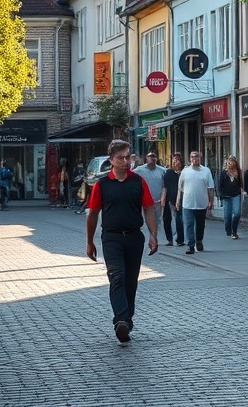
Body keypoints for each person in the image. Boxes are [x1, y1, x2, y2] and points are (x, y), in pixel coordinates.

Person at [84, 139, 158, 344]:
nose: (126, 162)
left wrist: (153, 234)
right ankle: (121, 321)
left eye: (128, 157)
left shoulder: (138, 182)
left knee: (131, 281)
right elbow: (93, 213)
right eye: (121, 158)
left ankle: (127, 319)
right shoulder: (102, 185)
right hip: (112, 238)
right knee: (117, 277)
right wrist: (89, 241)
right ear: (111, 160)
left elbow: (148, 208)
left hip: (134, 237)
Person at [176, 150, 214, 255]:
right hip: (188, 203)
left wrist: (211, 201)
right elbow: (180, 188)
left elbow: (210, 188)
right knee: (189, 224)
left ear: (200, 158)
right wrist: (178, 201)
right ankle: (190, 246)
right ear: (190, 159)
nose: (194, 159)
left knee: (200, 224)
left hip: (201, 203)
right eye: (192, 157)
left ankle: (199, 240)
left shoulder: (206, 171)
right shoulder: (185, 171)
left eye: (196, 156)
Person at [133, 151, 165, 228]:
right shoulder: (139, 170)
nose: (152, 158)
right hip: (145, 201)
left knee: (157, 221)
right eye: (149, 156)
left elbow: (165, 186)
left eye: (153, 156)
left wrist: (163, 198)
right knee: (146, 221)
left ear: (156, 159)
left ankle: (155, 233)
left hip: (157, 201)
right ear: (146, 158)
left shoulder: (162, 171)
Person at [160, 154, 184, 246]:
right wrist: (163, 198)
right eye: (174, 160)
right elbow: (165, 187)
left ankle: (180, 239)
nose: (175, 162)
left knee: (179, 219)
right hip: (168, 198)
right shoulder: (168, 173)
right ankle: (169, 239)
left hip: (181, 198)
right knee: (166, 219)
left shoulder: (184, 172)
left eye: (177, 160)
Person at [218, 156, 244, 239]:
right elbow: (220, 185)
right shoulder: (224, 173)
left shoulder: (238, 172)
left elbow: (240, 183)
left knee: (237, 213)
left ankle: (234, 231)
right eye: (229, 162)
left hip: (236, 195)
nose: (231, 164)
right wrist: (221, 195)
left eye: (232, 162)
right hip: (227, 196)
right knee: (227, 216)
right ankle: (228, 230)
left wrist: (242, 189)